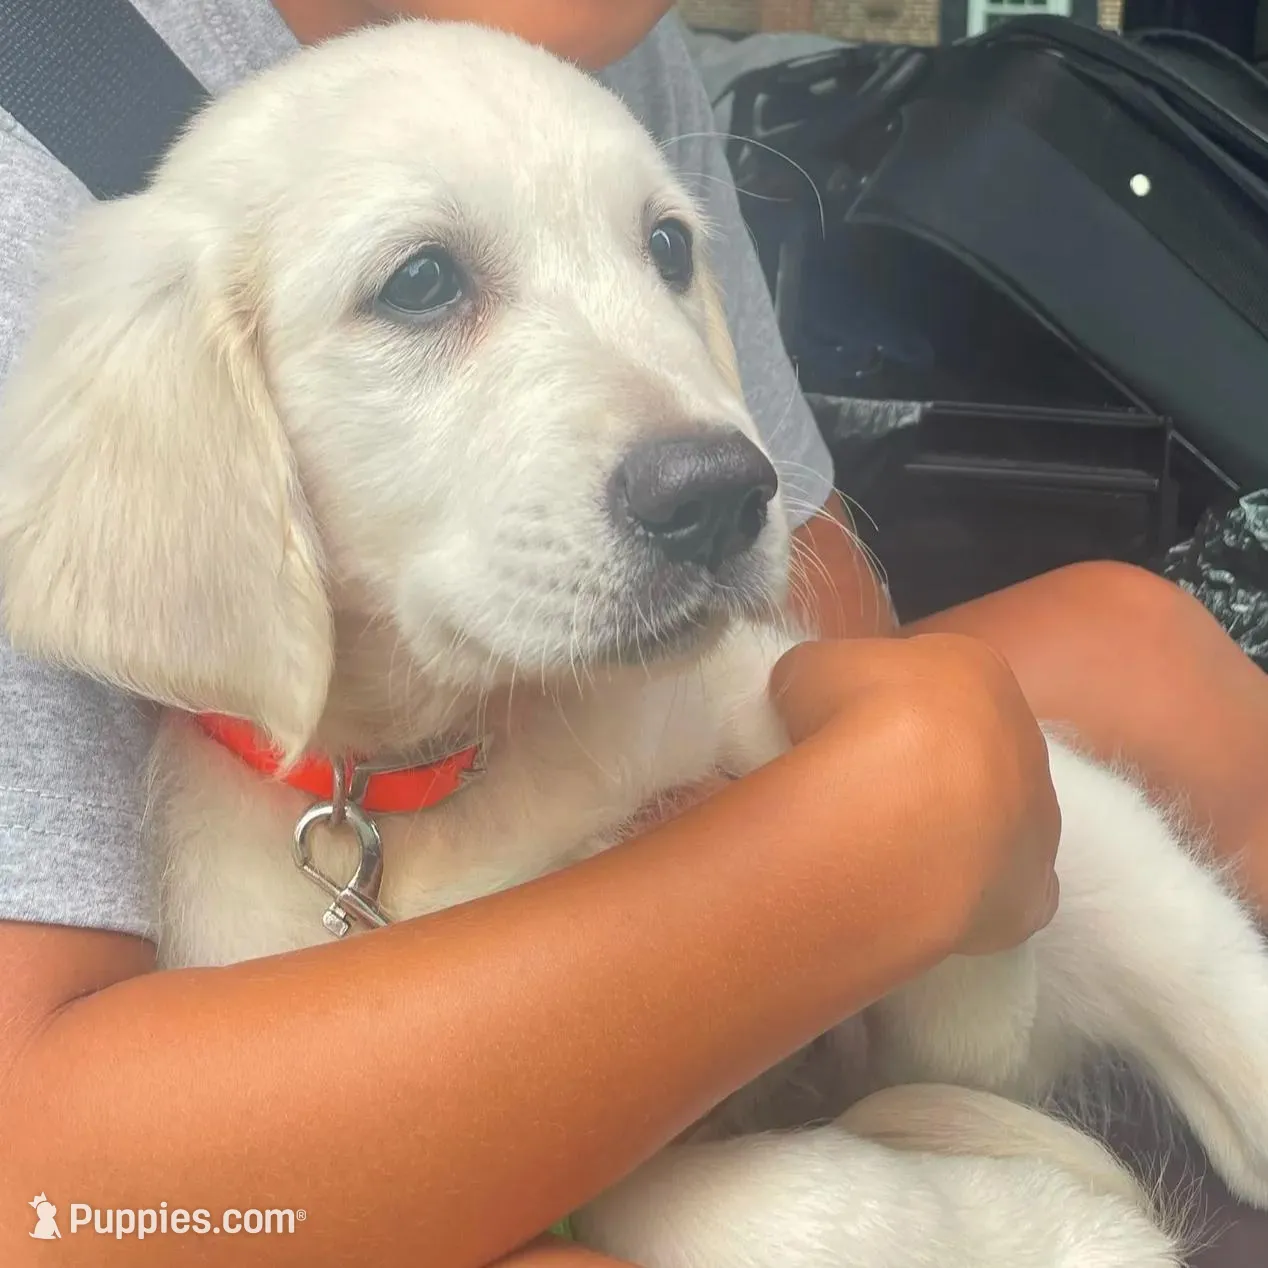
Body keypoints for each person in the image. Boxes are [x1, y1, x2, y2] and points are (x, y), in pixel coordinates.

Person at [0, 4, 1257, 1267]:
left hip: (711, 843)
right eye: (421, 282)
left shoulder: (614, 51)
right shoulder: (60, 150)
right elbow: (75, 1203)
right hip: (193, 1067)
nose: (706, 454)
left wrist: (877, 864)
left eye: (660, 249)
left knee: (1135, 643)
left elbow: (828, 628)